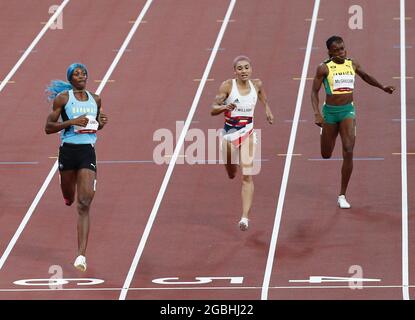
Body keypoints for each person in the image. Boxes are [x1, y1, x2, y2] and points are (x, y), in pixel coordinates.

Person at [311, 36, 395, 208]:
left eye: (343, 48)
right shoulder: (324, 68)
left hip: (348, 111)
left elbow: (366, 76)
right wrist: (317, 114)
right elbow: (314, 92)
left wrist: (382, 87)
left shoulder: (352, 63)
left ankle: (342, 195)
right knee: (326, 154)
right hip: (330, 113)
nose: (341, 52)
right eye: (337, 50)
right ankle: (326, 132)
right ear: (330, 52)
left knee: (348, 150)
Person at [45, 63, 108, 271]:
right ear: (70, 79)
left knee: (84, 202)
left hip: (87, 151)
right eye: (77, 73)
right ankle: (66, 192)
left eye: (84, 73)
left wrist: (101, 123)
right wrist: (72, 122)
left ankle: (81, 255)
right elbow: (48, 127)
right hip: (68, 151)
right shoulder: (63, 98)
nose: (81, 76)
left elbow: (96, 123)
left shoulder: (95, 99)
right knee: (70, 198)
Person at [211, 55, 274, 230]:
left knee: (247, 175)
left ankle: (244, 218)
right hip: (230, 135)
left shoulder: (257, 84)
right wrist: (224, 107)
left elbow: (262, 95)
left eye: (246, 67)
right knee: (232, 173)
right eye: (240, 68)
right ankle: (231, 167)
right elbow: (212, 109)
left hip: (248, 134)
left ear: (251, 69)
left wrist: (267, 108)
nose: (244, 71)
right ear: (235, 71)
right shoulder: (228, 86)